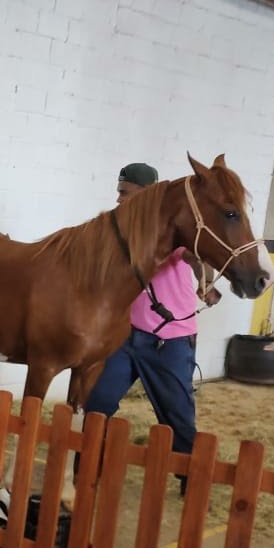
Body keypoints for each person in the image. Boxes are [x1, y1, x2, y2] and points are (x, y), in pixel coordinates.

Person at [85, 163, 217, 495]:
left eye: (124, 193)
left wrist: (205, 278)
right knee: (97, 401)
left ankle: (191, 480)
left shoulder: (173, 227)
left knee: (176, 416)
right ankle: (86, 470)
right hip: (125, 334)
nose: (118, 199)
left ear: (145, 194)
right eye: (118, 192)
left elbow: (197, 256)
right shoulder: (116, 230)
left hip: (169, 338)